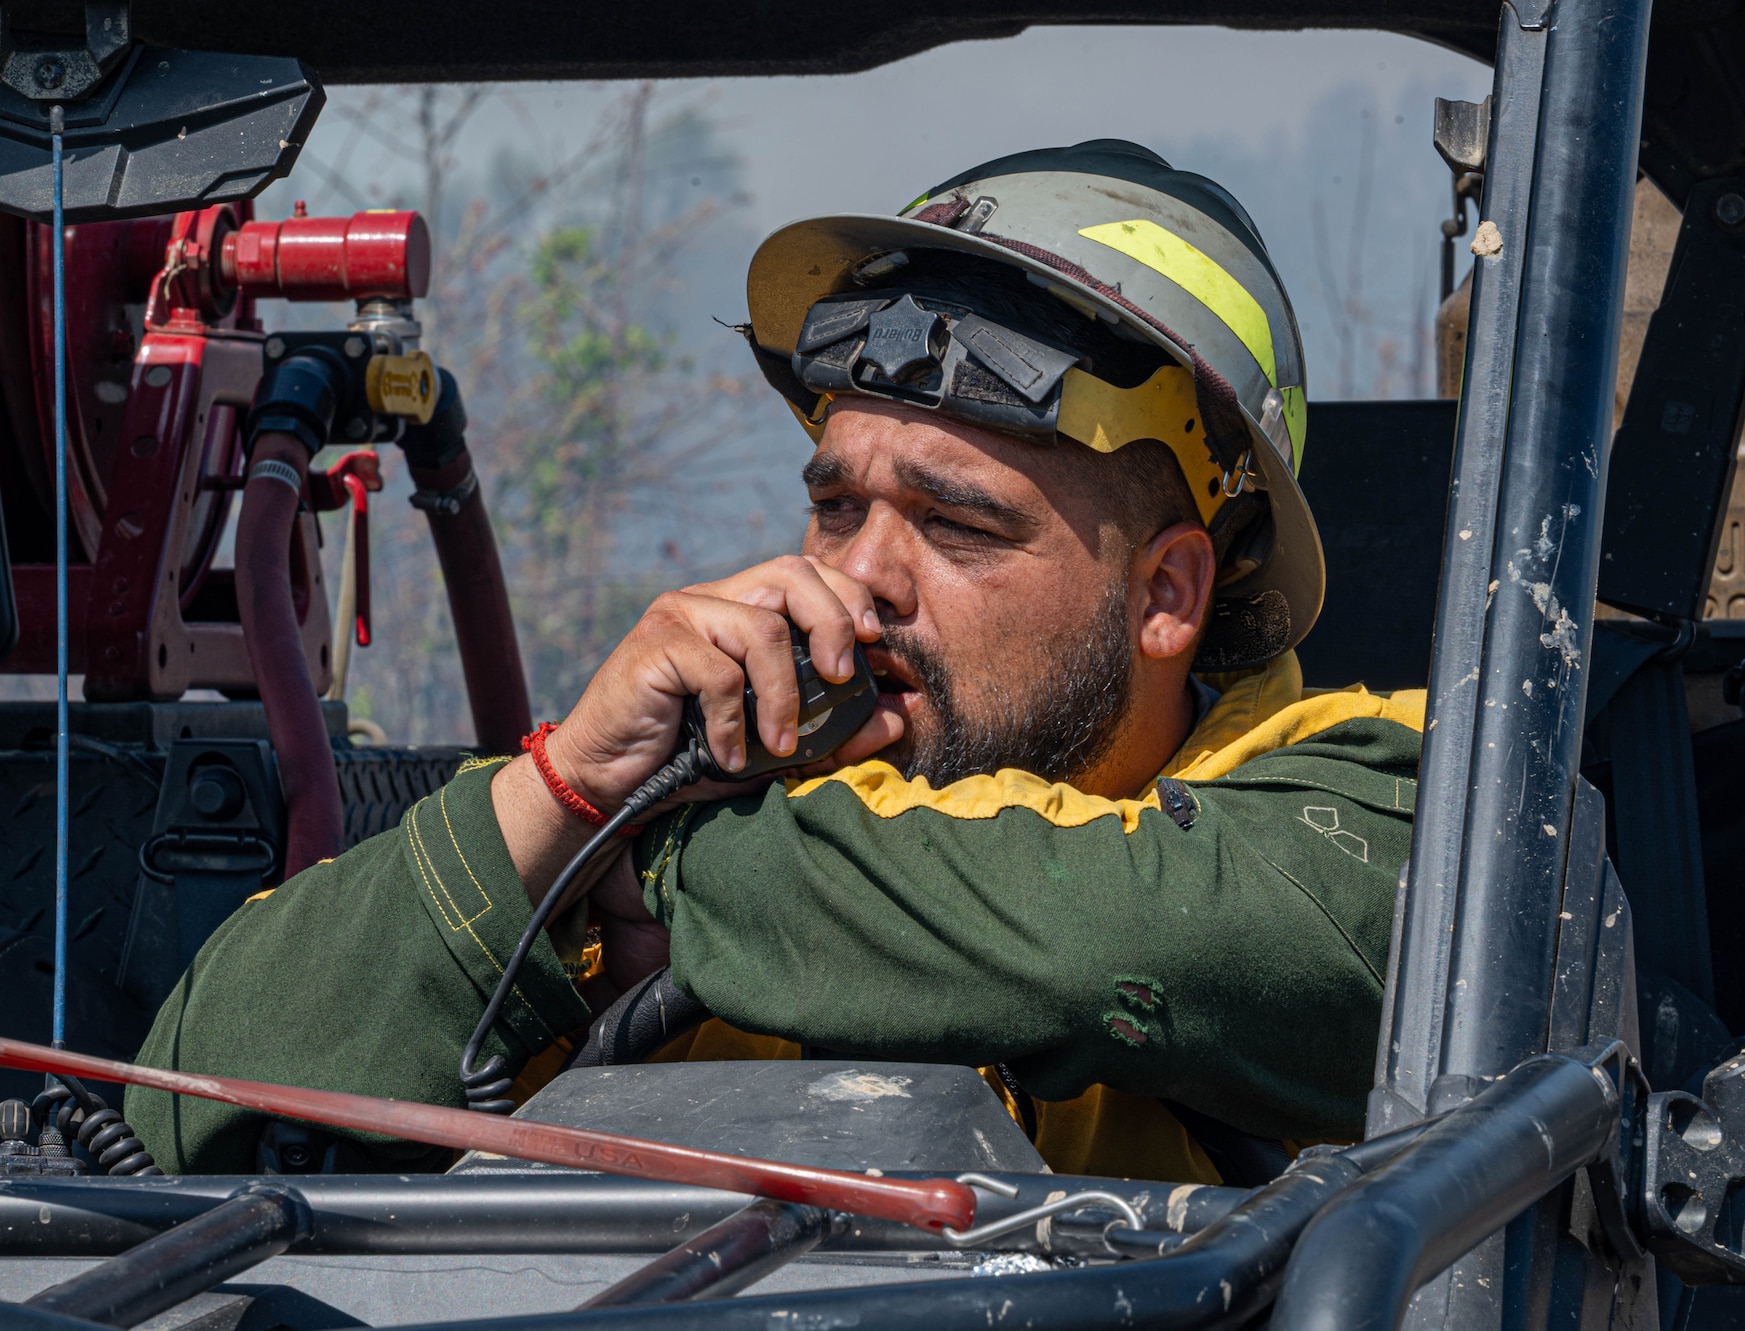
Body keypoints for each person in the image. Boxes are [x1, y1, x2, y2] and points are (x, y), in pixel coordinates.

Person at [128, 141, 1425, 1184]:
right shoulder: (737, 794)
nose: (858, 579)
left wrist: (647, 871)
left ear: (1167, 593)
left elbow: (1125, 940)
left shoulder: (1405, 802)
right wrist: (565, 798)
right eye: (838, 505)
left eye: (959, 522)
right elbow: (185, 1103)